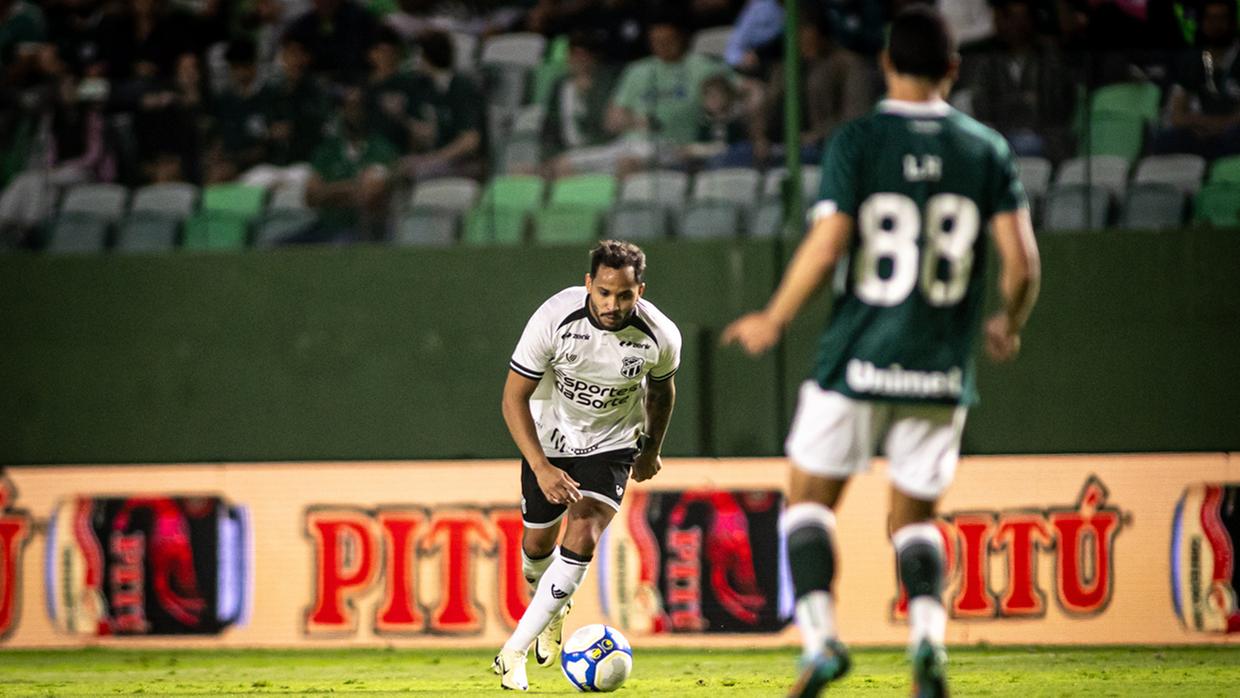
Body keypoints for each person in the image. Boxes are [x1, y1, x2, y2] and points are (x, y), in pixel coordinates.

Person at [722, 6, 1040, 698]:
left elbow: (829, 241)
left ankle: (821, 642)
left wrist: (774, 316)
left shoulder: (857, 140)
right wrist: (1007, 322)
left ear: (887, 65)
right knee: (914, 518)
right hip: (941, 365)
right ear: (954, 69)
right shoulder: (986, 149)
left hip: (855, 359)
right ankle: (927, 643)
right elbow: (1022, 263)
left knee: (807, 503)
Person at [492, 240, 681, 692]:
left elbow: (662, 392)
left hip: (613, 442)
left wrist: (651, 449)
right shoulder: (553, 318)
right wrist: (540, 467)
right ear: (588, 285)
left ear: (640, 290)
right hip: (551, 436)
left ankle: (513, 651)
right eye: (604, 293)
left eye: (624, 295)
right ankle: (554, 612)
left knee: (584, 532)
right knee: (537, 547)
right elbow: (512, 398)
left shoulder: (661, 336)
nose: (613, 305)